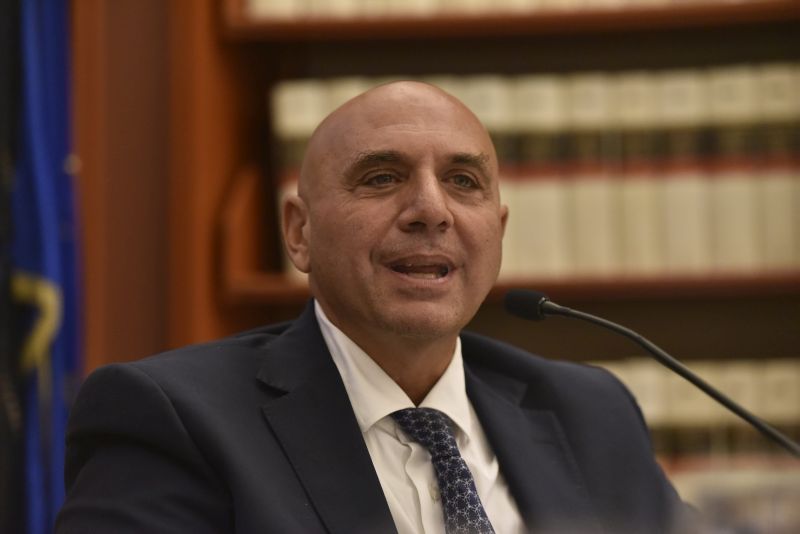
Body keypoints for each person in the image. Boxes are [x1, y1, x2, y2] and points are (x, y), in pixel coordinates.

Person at [56, 81, 690, 533]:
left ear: (497, 232)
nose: (431, 211)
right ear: (299, 233)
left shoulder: (590, 413)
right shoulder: (173, 420)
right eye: (382, 177)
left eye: (463, 181)